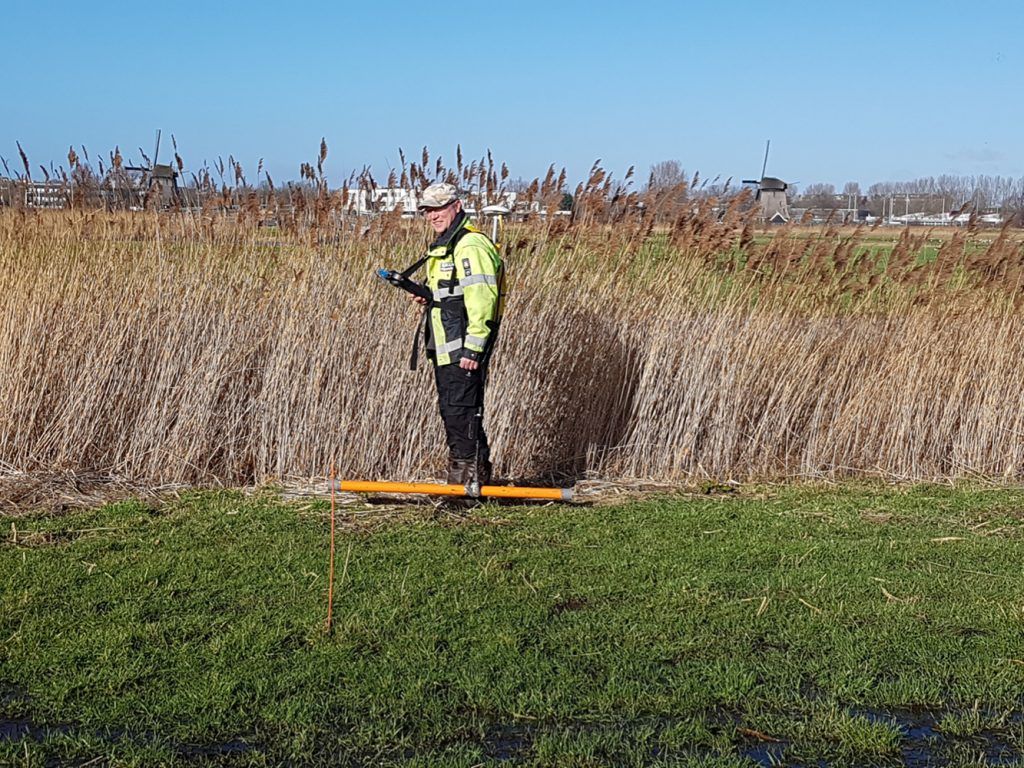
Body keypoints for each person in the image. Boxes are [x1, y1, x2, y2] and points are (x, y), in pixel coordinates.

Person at [412, 183, 503, 487]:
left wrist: (473, 350)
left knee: (461, 413)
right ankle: (474, 484)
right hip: (445, 343)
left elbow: (483, 300)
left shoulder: (470, 246)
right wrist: (429, 295)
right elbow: (454, 293)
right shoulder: (446, 244)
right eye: (428, 210)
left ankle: (467, 486)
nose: (433, 215)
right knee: (456, 412)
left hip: (462, 346)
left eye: (439, 208)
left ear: (457, 205)